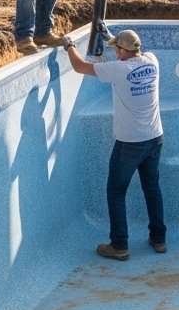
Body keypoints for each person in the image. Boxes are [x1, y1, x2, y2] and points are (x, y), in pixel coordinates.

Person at [64, 29, 167, 260]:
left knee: (116, 191)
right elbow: (128, 55)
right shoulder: (152, 61)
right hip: (155, 138)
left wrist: (68, 45)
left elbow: (80, 66)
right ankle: (159, 239)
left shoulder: (117, 70)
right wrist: (113, 39)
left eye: (116, 49)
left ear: (121, 51)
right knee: (152, 188)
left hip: (130, 143)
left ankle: (119, 245)